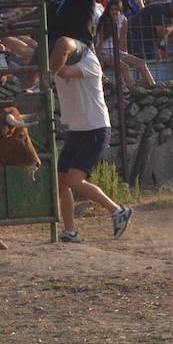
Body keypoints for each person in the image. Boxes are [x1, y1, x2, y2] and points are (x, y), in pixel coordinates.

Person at [52, 41, 134, 243]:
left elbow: (63, 72)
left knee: (74, 180)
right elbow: (29, 49)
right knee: (62, 181)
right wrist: (3, 33)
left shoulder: (89, 61)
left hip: (95, 129)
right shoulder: (60, 61)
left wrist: (45, 63)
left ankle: (118, 210)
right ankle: (70, 231)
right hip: (77, 129)